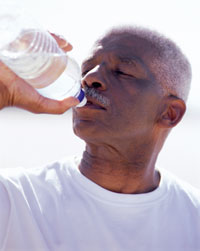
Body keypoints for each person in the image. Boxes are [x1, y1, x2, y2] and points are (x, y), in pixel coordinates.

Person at [0, 26, 199, 251]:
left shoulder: (193, 220)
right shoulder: (17, 200)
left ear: (169, 113)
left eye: (122, 71)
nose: (90, 78)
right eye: (86, 69)